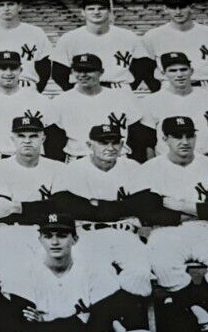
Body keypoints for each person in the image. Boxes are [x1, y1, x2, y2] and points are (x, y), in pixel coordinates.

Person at [0, 212, 158, 332]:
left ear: (75, 239)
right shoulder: (27, 273)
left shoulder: (94, 270)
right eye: (48, 236)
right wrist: (79, 322)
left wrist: (44, 325)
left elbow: (99, 328)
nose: (55, 242)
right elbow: (18, 330)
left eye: (62, 236)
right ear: (40, 239)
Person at [138, 116, 208, 332]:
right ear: (164, 139)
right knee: (163, 265)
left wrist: (182, 206)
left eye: (189, 135)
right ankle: (199, 308)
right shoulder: (151, 168)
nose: (184, 141)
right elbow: (148, 212)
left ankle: (194, 303)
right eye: (177, 136)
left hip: (206, 229)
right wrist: (200, 211)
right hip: (166, 232)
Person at [50, 123, 155, 296]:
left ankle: (127, 320)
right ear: (89, 145)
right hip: (87, 235)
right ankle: (114, 321)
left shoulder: (133, 167)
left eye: (115, 142)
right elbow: (64, 206)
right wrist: (122, 207)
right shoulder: (73, 169)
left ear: (122, 145)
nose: (110, 147)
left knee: (140, 272)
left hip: (125, 233)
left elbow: (146, 204)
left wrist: (95, 205)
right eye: (103, 143)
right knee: (100, 275)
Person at [0, 114, 68, 283]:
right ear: (12, 138)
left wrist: (17, 207)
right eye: (21, 136)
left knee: (55, 273)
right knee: (15, 272)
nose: (27, 141)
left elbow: (63, 208)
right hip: (6, 231)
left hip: (47, 231)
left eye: (33, 136)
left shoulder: (58, 168)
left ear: (43, 138)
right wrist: (43, 206)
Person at [139, 52, 208, 161]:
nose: (179, 74)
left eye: (183, 69)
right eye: (173, 70)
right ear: (163, 74)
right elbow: (148, 144)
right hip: (172, 162)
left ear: (191, 71)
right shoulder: (150, 101)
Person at [51, 0, 154, 92]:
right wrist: (73, 91)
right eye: (91, 9)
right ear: (82, 12)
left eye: (101, 8)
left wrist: (130, 87)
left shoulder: (128, 36)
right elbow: (58, 72)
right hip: (83, 90)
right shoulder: (69, 38)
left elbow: (143, 66)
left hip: (118, 88)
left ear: (109, 11)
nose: (96, 12)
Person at [50, 54, 144, 160]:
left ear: (101, 72)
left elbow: (136, 136)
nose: (82, 74)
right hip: (80, 158)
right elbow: (55, 140)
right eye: (78, 70)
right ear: (72, 72)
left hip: (117, 159)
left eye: (89, 70)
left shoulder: (122, 98)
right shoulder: (60, 101)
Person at [142, 0, 208, 84]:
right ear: (165, 9)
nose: (178, 12)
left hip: (205, 85)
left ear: (191, 7)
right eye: (172, 7)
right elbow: (147, 68)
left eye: (182, 6)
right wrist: (158, 91)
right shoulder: (152, 36)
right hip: (170, 86)